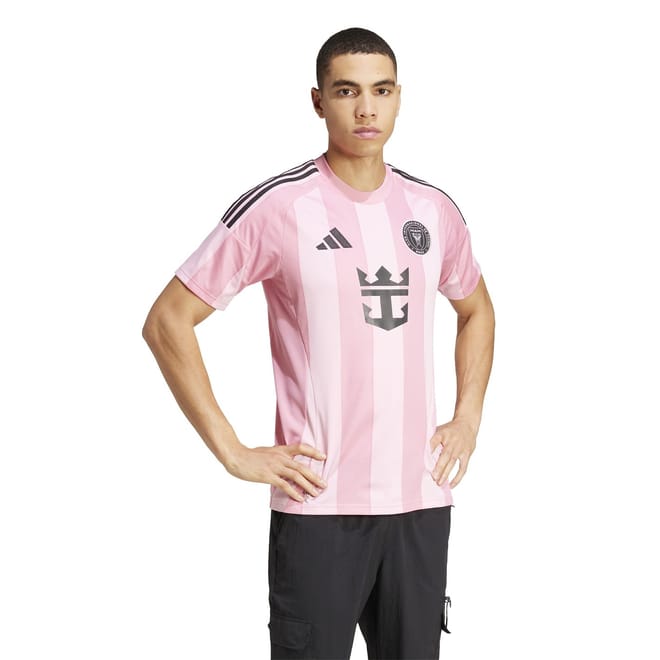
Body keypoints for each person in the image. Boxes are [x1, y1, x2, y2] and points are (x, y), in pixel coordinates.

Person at [142, 26, 495, 660]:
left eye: (381, 91)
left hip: (420, 502)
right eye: (347, 91)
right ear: (318, 101)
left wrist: (467, 416)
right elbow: (168, 320)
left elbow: (477, 310)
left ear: (398, 98)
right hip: (318, 507)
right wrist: (232, 451)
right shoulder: (279, 207)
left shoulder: (433, 209)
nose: (366, 109)